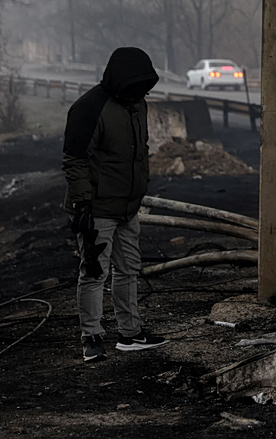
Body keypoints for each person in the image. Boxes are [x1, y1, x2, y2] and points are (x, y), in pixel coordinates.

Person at [63, 47, 167, 362]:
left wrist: (141, 187)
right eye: (136, 85)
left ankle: (130, 334)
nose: (142, 91)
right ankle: (91, 338)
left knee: (128, 270)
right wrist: (81, 205)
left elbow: (141, 149)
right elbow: (74, 159)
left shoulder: (138, 104)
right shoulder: (88, 108)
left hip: (128, 207)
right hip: (96, 209)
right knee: (94, 272)